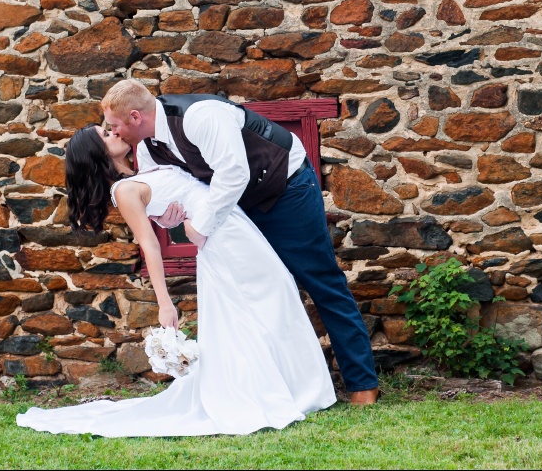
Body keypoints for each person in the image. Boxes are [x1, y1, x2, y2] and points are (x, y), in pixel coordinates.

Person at [16, 125, 336, 436]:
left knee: (271, 298)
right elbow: (150, 245)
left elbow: (175, 198)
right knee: (267, 300)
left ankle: (291, 389)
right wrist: (165, 303)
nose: (113, 131)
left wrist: (168, 217)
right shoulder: (124, 191)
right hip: (222, 238)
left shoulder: (144, 163)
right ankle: (278, 393)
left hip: (229, 224)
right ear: (96, 153)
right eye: (105, 134)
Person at [99, 80, 380, 405]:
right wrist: (171, 220)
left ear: (135, 117)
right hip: (233, 215)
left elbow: (234, 172)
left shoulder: (199, 115)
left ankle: (362, 385)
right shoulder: (148, 148)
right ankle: (276, 388)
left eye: (115, 125)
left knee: (321, 280)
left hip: (285, 189)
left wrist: (200, 228)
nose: (114, 132)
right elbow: (168, 191)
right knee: (254, 294)